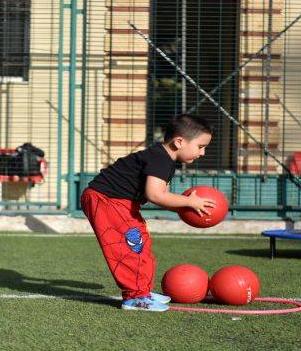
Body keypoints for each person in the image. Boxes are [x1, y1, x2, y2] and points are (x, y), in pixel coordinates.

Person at [81, 114, 216, 311]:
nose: (202, 153)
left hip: (119, 202)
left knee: (141, 242)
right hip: (107, 200)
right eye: (200, 146)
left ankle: (142, 291)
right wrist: (188, 201)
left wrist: (185, 206)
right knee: (130, 246)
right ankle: (136, 297)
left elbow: (161, 196)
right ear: (179, 142)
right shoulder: (160, 159)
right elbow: (155, 195)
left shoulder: (163, 159)